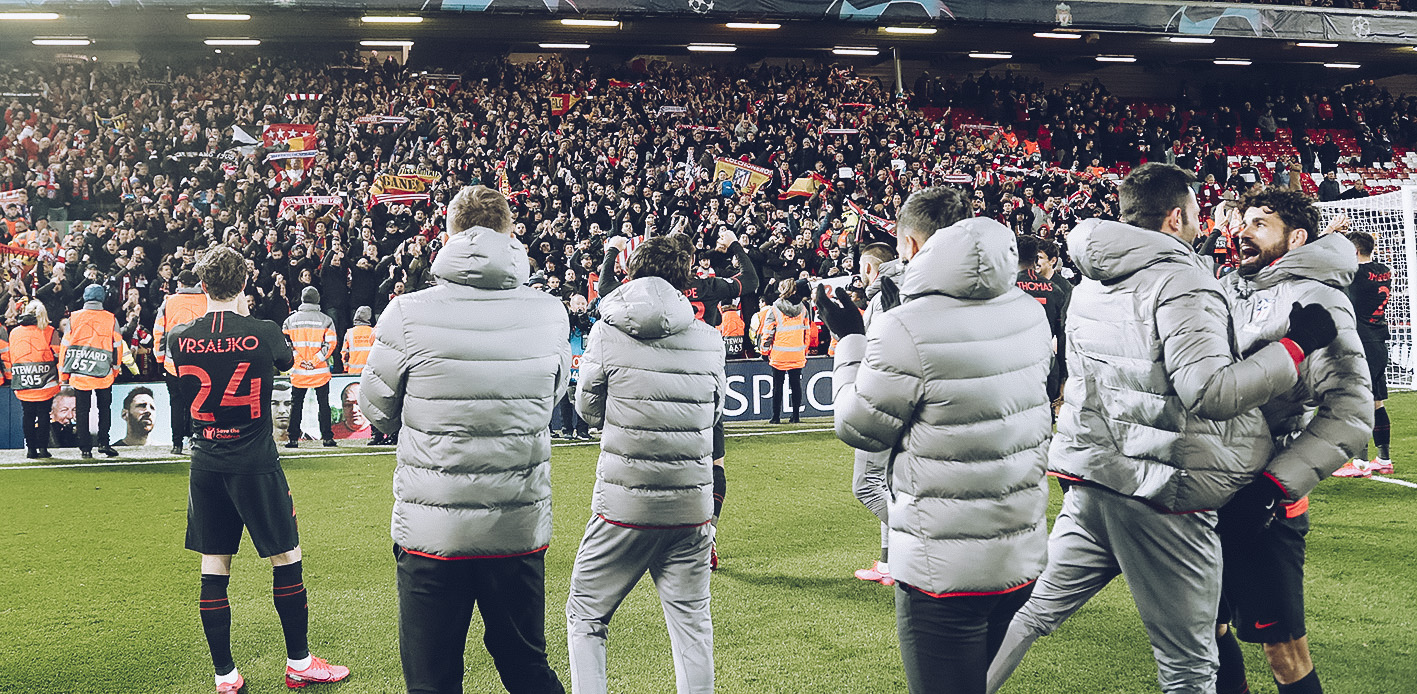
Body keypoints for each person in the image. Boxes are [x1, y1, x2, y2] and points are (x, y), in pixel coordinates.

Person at [985, 163, 1339, 694]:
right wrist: (1294, 347)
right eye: (1198, 213)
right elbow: (1210, 392)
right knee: (1190, 665)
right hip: (1163, 489)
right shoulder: (1182, 279)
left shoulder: (1089, 280)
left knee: (1030, 615)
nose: (1205, 224)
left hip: (1093, 478)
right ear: (1177, 217)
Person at [819, 185, 1054, 694]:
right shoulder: (1028, 310)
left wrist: (851, 341)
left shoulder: (907, 325)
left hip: (944, 566)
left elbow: (859, 425)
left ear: (907, 246)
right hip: (1020, 554)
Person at [360, 185, 570, 694]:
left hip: (434, 530)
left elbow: (376, 411)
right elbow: (552, 399)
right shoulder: (549, 312)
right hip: (515, 525)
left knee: (432, 680)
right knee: (526, 667)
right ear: (510, 232)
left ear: (449, 232)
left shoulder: (407, 313)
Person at [170, 246, 349, 694]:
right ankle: (299, 663)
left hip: (206, 463)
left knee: (215, 567)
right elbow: (286, 361)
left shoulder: (179, 336)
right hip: (254, 463)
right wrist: (244, 314)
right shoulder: (264, 331)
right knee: (286, 558)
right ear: (245, 283)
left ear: (203, 285)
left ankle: (225, 676)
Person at [1214, 189, 1373, 694]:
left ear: (1296, 237)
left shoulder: (1319, 297)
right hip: (1206, 493)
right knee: (1204, 634)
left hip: (1264, 504)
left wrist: (1270, 488)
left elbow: (1350, 412)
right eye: (1243, 220)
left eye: (1260, 223)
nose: (1243, 229)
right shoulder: (1224, 288)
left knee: (1283, 651)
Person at [566, 234, 726, 694]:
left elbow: (587, 409)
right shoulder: (708, 338)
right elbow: (713, 414)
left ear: (632, 272)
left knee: (587, 615)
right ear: (685, 277)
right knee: (693, 626)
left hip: (624, 504)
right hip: (691, 505)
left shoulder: (606, 332)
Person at [849, 242, 901, 587]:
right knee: (886, 485)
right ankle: (888, 563)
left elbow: (881, 352)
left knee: (866, 486)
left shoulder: (884, 295)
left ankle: (917, 545)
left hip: (883, 400)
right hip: (901, 399)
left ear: (870, 268)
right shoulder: (902, 288)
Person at [1336, 229, 1394, 476]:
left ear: (1355, 251)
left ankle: (1359, 464)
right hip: (1378, 340)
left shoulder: (1354, 275)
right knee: (1376, 402)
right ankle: (1383, 459)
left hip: (1361, 343)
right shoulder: (1384, 270)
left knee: (1356, 402)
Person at [60, 284, 124, 459]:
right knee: (104, 409)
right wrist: (116, 370)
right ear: (102, 297)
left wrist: (63, 374)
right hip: (104, 374)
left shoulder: (73, 318)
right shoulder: (111, 319)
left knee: (82, 410)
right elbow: (118, 347)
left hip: (80, 373)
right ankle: (104, 443)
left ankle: (85, 448)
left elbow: (65, 347)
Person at [154, 270, 207, 455]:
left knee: (176, 403)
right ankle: (196, 440)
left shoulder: (169, 301)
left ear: (181, 284)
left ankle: (177, 444)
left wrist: (159, 358)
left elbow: (159, 331)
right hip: (203, 363)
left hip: (173, 363)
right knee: (199, 402)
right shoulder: (207, 301)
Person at [5, 302, 61, 459]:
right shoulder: (50, 331)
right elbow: (58, 355)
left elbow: (12, 355)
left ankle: (30, 450)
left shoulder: (14, 332)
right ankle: (43, 448)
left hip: (23, 380)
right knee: (44, 414)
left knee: (27, 414)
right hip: (46, 381)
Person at [282, 287, 337, 448]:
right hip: (320, 371)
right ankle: (327, 438)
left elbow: (286, 344)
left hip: (299, 371)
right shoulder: (326, 320)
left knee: (296, 404)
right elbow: (331, 343)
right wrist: (314, 361)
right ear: (317, 299)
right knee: (324, 404)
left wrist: (300, 360)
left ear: (302, 299)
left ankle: (293, 439)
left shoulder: (290, 320)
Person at [758, 277, 809, 425]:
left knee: (778, 386)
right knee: (796, 386)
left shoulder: (774, 309)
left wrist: (764, 351)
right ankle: (796, 416)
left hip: (779, 354)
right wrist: (804, 350)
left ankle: (775, 417)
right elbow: (807, 332)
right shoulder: (803, 309)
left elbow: (767, 334)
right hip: (797, 353)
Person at [559, 294, 594, 440]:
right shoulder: (565, 322)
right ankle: (567, 429)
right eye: (577, 304)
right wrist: (571, 320)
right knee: (565, 399)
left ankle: (582, 430)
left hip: (584, 365)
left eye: (583, 304)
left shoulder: (592, 321)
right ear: (571, 306)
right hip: (569, 365)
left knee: (584, 399)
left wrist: (587, 325)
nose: (581, 306)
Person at [341, 306, 374, 376]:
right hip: (370, 372)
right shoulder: (373, 332)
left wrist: (346, 368)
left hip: (353, 372)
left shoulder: (349, 333)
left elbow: (344, 354)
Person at [272, 381, 294, 445]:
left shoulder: (311, 440)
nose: (282, 411)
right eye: (274, 403)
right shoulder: (256, 442)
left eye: (288, 403)